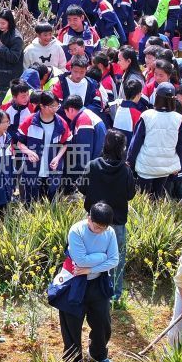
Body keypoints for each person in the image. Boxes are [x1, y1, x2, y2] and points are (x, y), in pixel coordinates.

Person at [50, 202, 118, 362]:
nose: (100, 230)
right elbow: (80, 261)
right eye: (97, 226)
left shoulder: (109, 232)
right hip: (74, 282)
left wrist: (91, 269)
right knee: (71, 326)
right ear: (89, 218)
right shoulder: (76, 231)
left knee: (103, 322)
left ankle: (98, 353)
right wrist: (102, 257)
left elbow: (114, 260)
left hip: (97, 282)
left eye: (104, 227)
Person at [77, 130, 135, 304]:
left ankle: (88, 289)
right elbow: (130, 194)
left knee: (89, 255)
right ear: (122, 148)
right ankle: (115, 294)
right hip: (116, 222)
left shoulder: (93, 165)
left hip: (93, 221)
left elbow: (81, 187)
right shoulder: (125, 169)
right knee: (116, 258)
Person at [128, 82, 182, 198]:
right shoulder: (178, 118)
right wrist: (178, 165)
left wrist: (130, 161)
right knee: (159, 198)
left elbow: (135, 143)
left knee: (143, 198)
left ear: (157, 97)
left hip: (145, 167)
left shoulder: (147, 116)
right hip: (166, 168)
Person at [0, 9, 24, 93]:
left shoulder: (16, 38)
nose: (0, 25)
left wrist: (0, 48)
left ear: (9, 22)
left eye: (3, 23)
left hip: (10, 77)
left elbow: (14, 58)